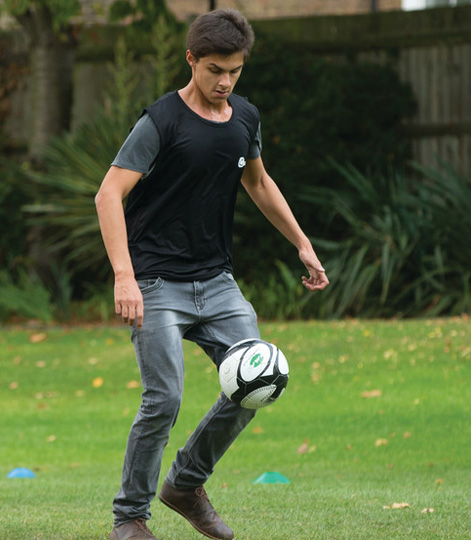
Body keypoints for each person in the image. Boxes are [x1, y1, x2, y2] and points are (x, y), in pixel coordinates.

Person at [95, 10, 329, 540]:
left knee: (259, 382)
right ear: (191, 60)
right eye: (215, 70)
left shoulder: (244, 118)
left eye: (235, 71)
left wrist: (302, 243)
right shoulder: (160, 122)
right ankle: (129, 517)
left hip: (217, 282)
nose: (225, 82)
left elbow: (260, 184)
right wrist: (124, 277)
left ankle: (184, 483)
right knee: (165, 400)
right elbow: (108, 194)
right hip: (155, 281)